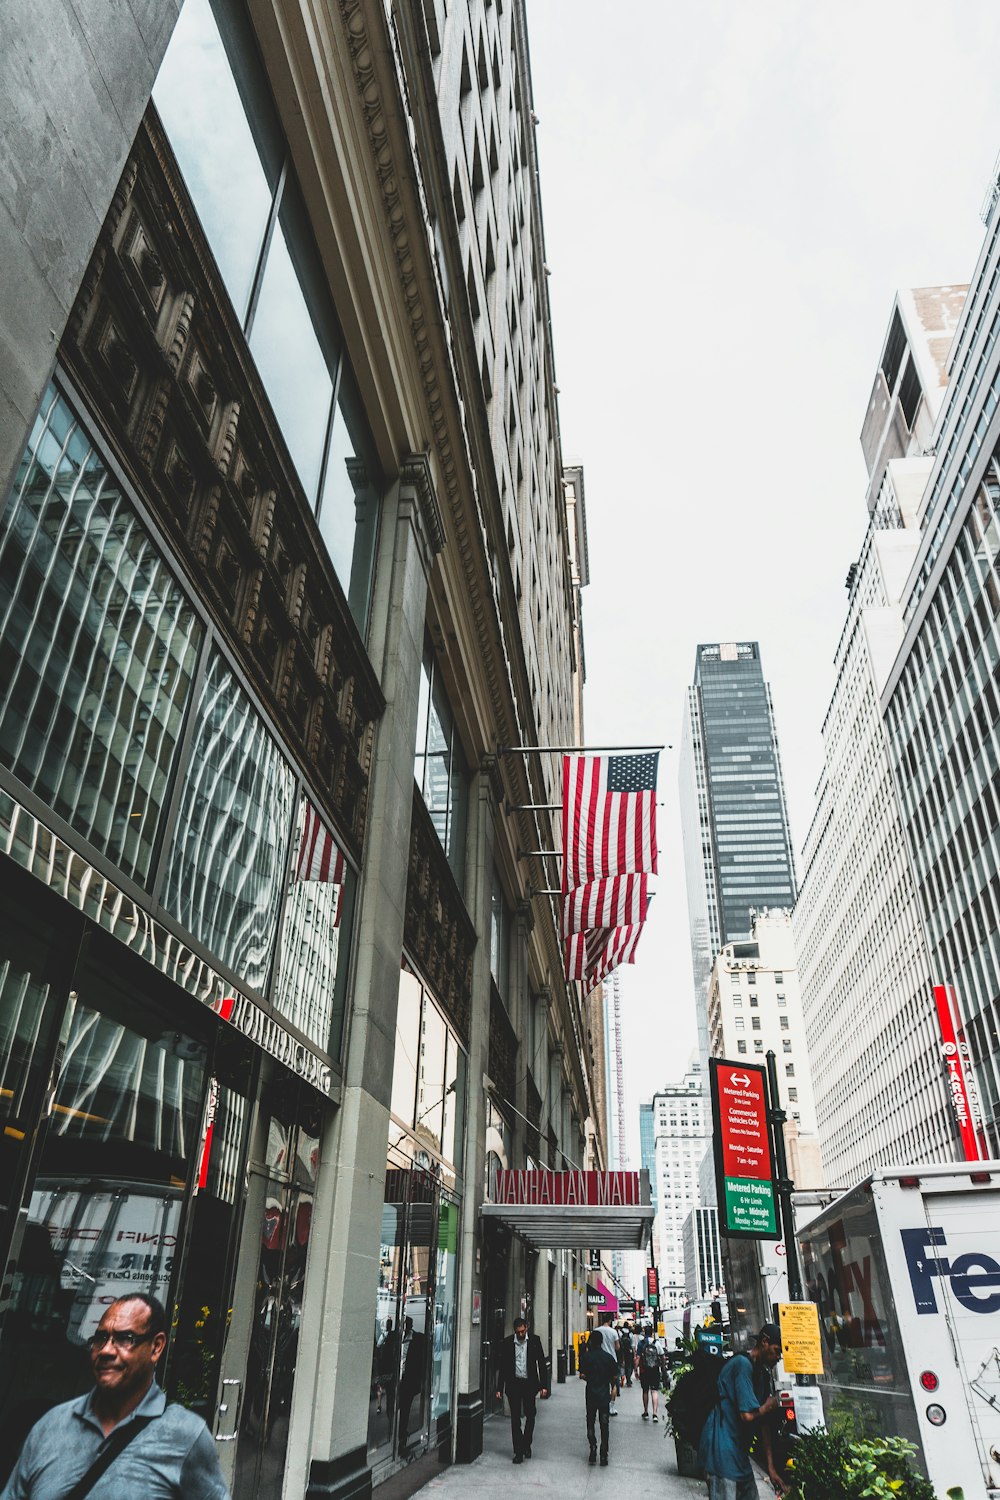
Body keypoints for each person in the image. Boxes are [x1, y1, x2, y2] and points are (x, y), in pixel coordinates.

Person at [1, 1292, 229, 1499]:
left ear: (156, 1347)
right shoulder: (51, 1425)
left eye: (125, 1338)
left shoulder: (185, 1434)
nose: (106, 1350)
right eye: (100, 1338)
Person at [698, 1323, 783, 1500]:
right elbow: (747, 1416)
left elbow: (763, 1424)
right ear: (765, 1342)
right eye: (777, 1350)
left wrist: (771, 1469)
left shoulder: (761, 1374)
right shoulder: (742, 1365)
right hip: (722, 1452)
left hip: (739, 1456)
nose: (778, 1357)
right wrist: (767, 1407)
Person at [495, 1317, 550, 1463]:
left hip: (529, 1384)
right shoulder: (507, 1343)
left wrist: (544, 1386)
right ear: (514, 1331)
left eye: (522, 1332)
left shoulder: (534, 1341)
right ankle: (518, 1451)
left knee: (530, 1415)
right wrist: (499, 1388)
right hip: (514, 1384)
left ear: (527, 1328)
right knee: (515, 1419)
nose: (520, 1335)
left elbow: (541, 1365)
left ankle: (527, 1443)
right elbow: (503, 1366)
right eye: (517, 1332)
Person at [579, 1329, 617, 1466]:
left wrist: (590, 1378)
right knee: (604, 1424)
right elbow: (614, 1377)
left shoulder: (586, 1357)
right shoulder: (608, 1358)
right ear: (601, 1342)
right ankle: (604, 1453)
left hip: (591, 1394)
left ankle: (593, 1447)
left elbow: (582, 1375)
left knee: (590, 1421)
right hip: (603, 1395)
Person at [396, 1317, 427, 1458]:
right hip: (395, 1379)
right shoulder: (396, 1338)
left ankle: (402, 1431)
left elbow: (421, 1361)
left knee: (406, 1406)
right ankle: (396, 1429)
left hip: (408, 1379)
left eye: (407, 1325)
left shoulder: (418, 1340)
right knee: (395, 1405)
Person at [635, 1323, 663, 1420]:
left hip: (644, 1370)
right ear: (652, 1333)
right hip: (655, 1370)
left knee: (645, 1391)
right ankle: (655, 1414)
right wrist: (663, 1367)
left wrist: (636, 1370)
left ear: (644, 1332)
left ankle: (646, 1412)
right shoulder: (657, 1343)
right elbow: (662, 1356)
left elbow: (638, 1357)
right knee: (654, 1391)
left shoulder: (641, 1343)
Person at [594, 1314, 620, 1414]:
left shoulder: (597, 1330)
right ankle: (611, 1407)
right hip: (612, 1360)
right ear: (609, 1321)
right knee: (613, 1385)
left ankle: (600, 1404)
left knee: (600, 1383)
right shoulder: (613, 1332)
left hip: (599, 1360)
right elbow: (617, 1347)